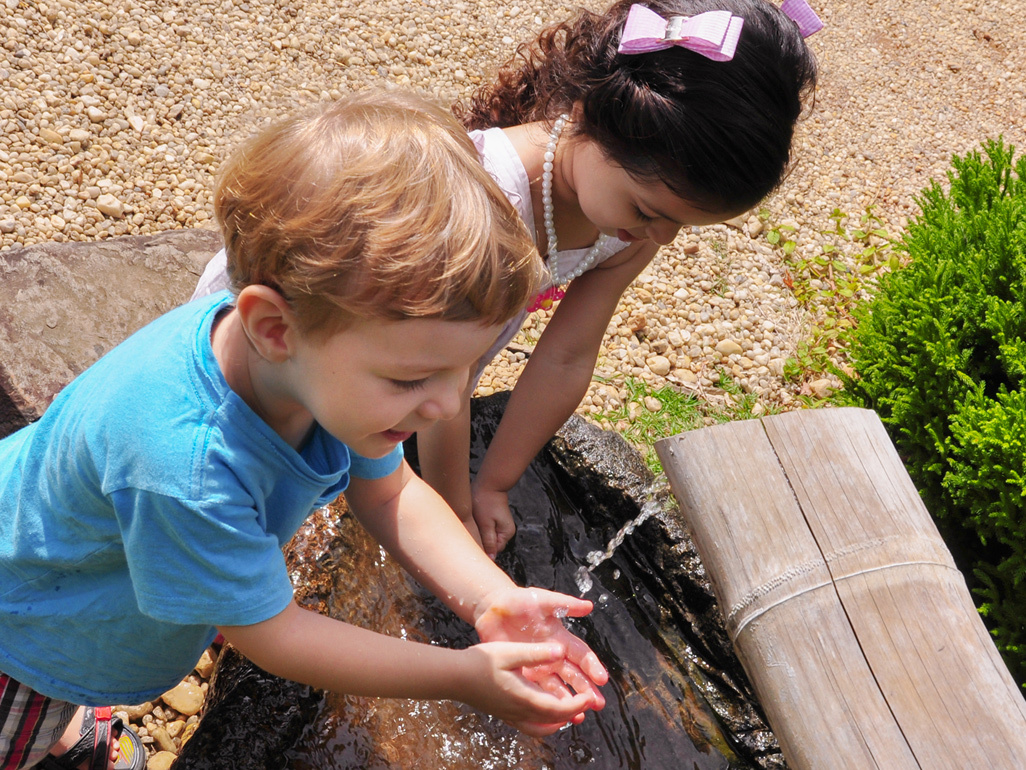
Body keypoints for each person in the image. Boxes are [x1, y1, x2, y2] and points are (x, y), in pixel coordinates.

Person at [0, 91, 608, 770]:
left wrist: (492, 601)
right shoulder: (184, 465)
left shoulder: (312, 366)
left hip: (81, 574)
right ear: (272, 327)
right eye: (413, 380)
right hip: (24, 631)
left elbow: (390, 494)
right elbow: (273, 635)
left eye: (464, 368)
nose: (444, 405)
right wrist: (462, 675)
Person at [191, 0, 821, 559]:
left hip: (394, 370)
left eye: (685, 225)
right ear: (587, 115)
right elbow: (449, 378)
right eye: (650, 212)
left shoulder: (628, 224)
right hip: (294, 345)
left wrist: (491, 480)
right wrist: (450, 506)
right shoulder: (484, 201)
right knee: (238, 481)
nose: (661, 238)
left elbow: (568, 355)